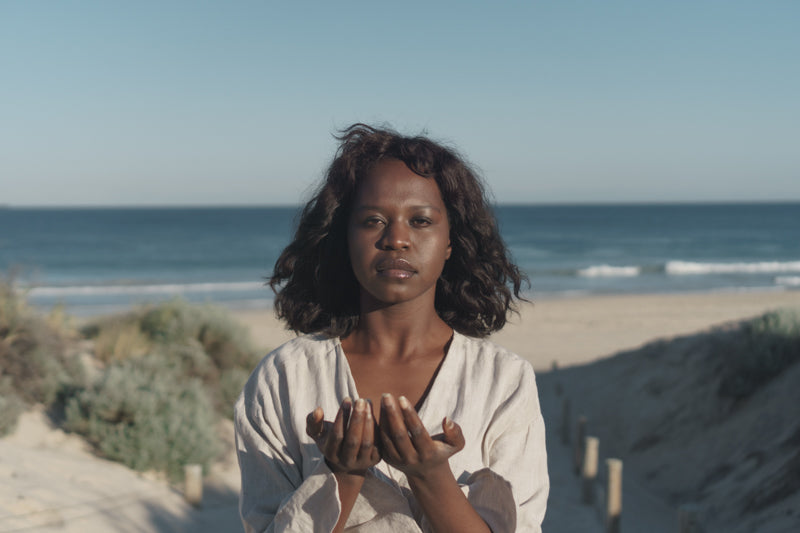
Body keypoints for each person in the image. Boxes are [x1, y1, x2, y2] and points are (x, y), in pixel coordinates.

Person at [234, 124, 549, 532]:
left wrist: (431, 475)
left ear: (451, 240)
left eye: (420, 221)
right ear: (343, 236)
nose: (396, 239)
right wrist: (342, 474)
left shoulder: (503, 380)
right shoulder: (284, 377)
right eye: (373, 221)